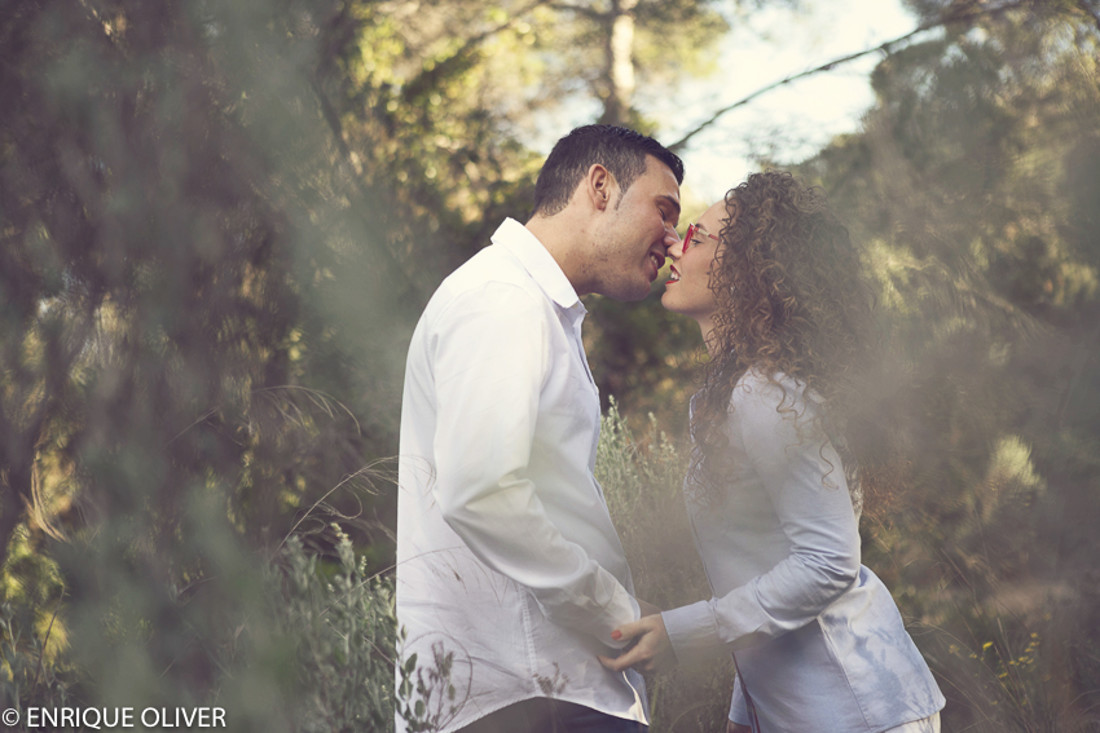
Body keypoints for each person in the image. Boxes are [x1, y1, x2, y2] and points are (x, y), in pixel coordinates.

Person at [599, 172, 946, 732]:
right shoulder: (729, 397)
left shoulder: (767, 393)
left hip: (858, 708)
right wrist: (748, 712)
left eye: (696, 237)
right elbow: (758, 576)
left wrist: (683, 633)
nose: (672, 245)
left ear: (745, 274)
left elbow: (829, 564)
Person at [395, 125, 684, 733]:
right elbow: (482, 491)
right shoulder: (503, 298)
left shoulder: (528, 304)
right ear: (600, 186)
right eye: (663, 210)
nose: (674, 237)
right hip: (532, 696)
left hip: (539, 693)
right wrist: (613, 611)